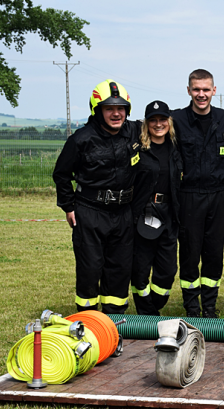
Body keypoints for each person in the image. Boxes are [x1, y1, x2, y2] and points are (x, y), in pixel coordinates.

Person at [53, 79, 140, 314]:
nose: (115, 113)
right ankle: (88, 321)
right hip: (90, 212)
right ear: (97, 109)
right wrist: (68, 207)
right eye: (109, 108)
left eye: (120, 108)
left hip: (123, 212)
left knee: (120, 269)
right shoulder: (80, 140)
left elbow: (165, 120)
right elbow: (61, 174)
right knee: (90, 268)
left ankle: (115, 321)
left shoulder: (134, 131)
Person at [171, 69, 224, 318]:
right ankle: (192, 309)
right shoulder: (176, 119)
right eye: (196, 89)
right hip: (190, 196)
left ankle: (210, 307)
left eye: (206, 89)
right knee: (190, 253)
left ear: (214, 91)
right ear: (188, 91)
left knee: (214, 254)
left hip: (218, 195)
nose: (201, 94)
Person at [130, 100, 182, 315]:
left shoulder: (177, 147)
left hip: (169, 213)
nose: (158, 124)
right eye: (153, 120)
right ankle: (145, 310)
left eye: (162, 119)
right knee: (141, 266)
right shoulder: (137, 148)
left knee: (168, 269)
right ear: (146, 123)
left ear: (169, 121)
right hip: (144, 212)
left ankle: (156, 303)